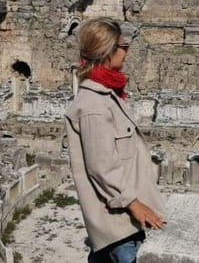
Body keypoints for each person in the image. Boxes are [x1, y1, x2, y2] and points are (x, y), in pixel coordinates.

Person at [65, 17, 165, 263]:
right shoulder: (94, 105)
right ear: (106, 51)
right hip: (120, 225)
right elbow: (101, 167)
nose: (127, 53)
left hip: (125, 219)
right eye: (124, 47)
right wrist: (134, 204)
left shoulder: (108, 95)